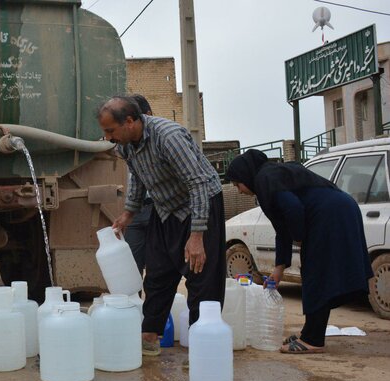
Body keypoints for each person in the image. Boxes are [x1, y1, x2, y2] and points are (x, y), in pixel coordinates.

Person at [97, 96, 226, 356]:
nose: (108, 138)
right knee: (157, 273)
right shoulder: (125, 145)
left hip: (199, 204)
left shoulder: (168, 137)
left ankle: (204, 349)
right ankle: (149, 336)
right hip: (165, 207)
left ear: (130, 121)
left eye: (111, 130)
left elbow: (198, 183)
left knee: (201, 276)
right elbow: (138, 178)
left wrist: (197, 234)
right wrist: (129, 213)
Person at [225, 149, 372, 354]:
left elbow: (293, 209)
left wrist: (300, 237)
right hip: (342, 208)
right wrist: (279, 269)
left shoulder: (264, 179)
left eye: (237, 184)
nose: (239, 190)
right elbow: (282, 227)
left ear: (245, 175)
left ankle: (313, 339)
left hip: (329, 216)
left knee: (316, 275)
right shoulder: (274, 173)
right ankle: (309, 333)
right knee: (317, 275)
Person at [125, 94, 153, 275]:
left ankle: (156, 303)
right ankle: (133, 302)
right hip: (136, 211)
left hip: (157, 210)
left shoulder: (164, 138)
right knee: (132, 269)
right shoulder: (127, 144)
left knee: (157, 267)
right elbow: (135, 178)